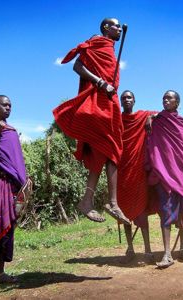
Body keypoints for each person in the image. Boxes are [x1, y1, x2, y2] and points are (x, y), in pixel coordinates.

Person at [53, 18, 129, 225]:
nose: (118, 29)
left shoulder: (111, 48)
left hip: (110, 102)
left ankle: (91, 201)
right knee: (112, 148)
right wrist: (101, 82)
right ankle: (111, 203)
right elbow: (77, 66)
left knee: (106, 152)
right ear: (106, 28)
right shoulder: (96, 41)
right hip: (99, 102)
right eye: (115, 25)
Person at [0, 95, 27, 291]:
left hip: (10, 185)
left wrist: (23, 183)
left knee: (8, 227)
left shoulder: (12, 131)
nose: (8, 107)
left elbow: (16, 161)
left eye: (10, 105)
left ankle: (1, 271)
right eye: (4, 104)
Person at [145, 90, 183, 268]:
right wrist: (152, 117)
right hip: (163, 174)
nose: (166, 100)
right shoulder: (157, 122)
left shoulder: (181, 123)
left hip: (181, 173)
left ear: (177, 103)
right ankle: (167, 254)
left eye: (169, 98)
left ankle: (182, 249)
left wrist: (153, 116)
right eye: (164, 98)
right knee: (166, 212)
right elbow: (151, 143)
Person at [117, 90, 158, 263]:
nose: (126, 100)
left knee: (141, 210)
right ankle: (130, 248)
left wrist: (152, 117)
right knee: (124, 211)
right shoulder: (116, 119)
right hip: (121, 172)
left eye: (129, 97)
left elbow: (162, 113)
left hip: (138, 171)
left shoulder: (143, 116)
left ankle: (148, 249)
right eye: (123, 98)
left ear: (134, 100)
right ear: (120, 102)